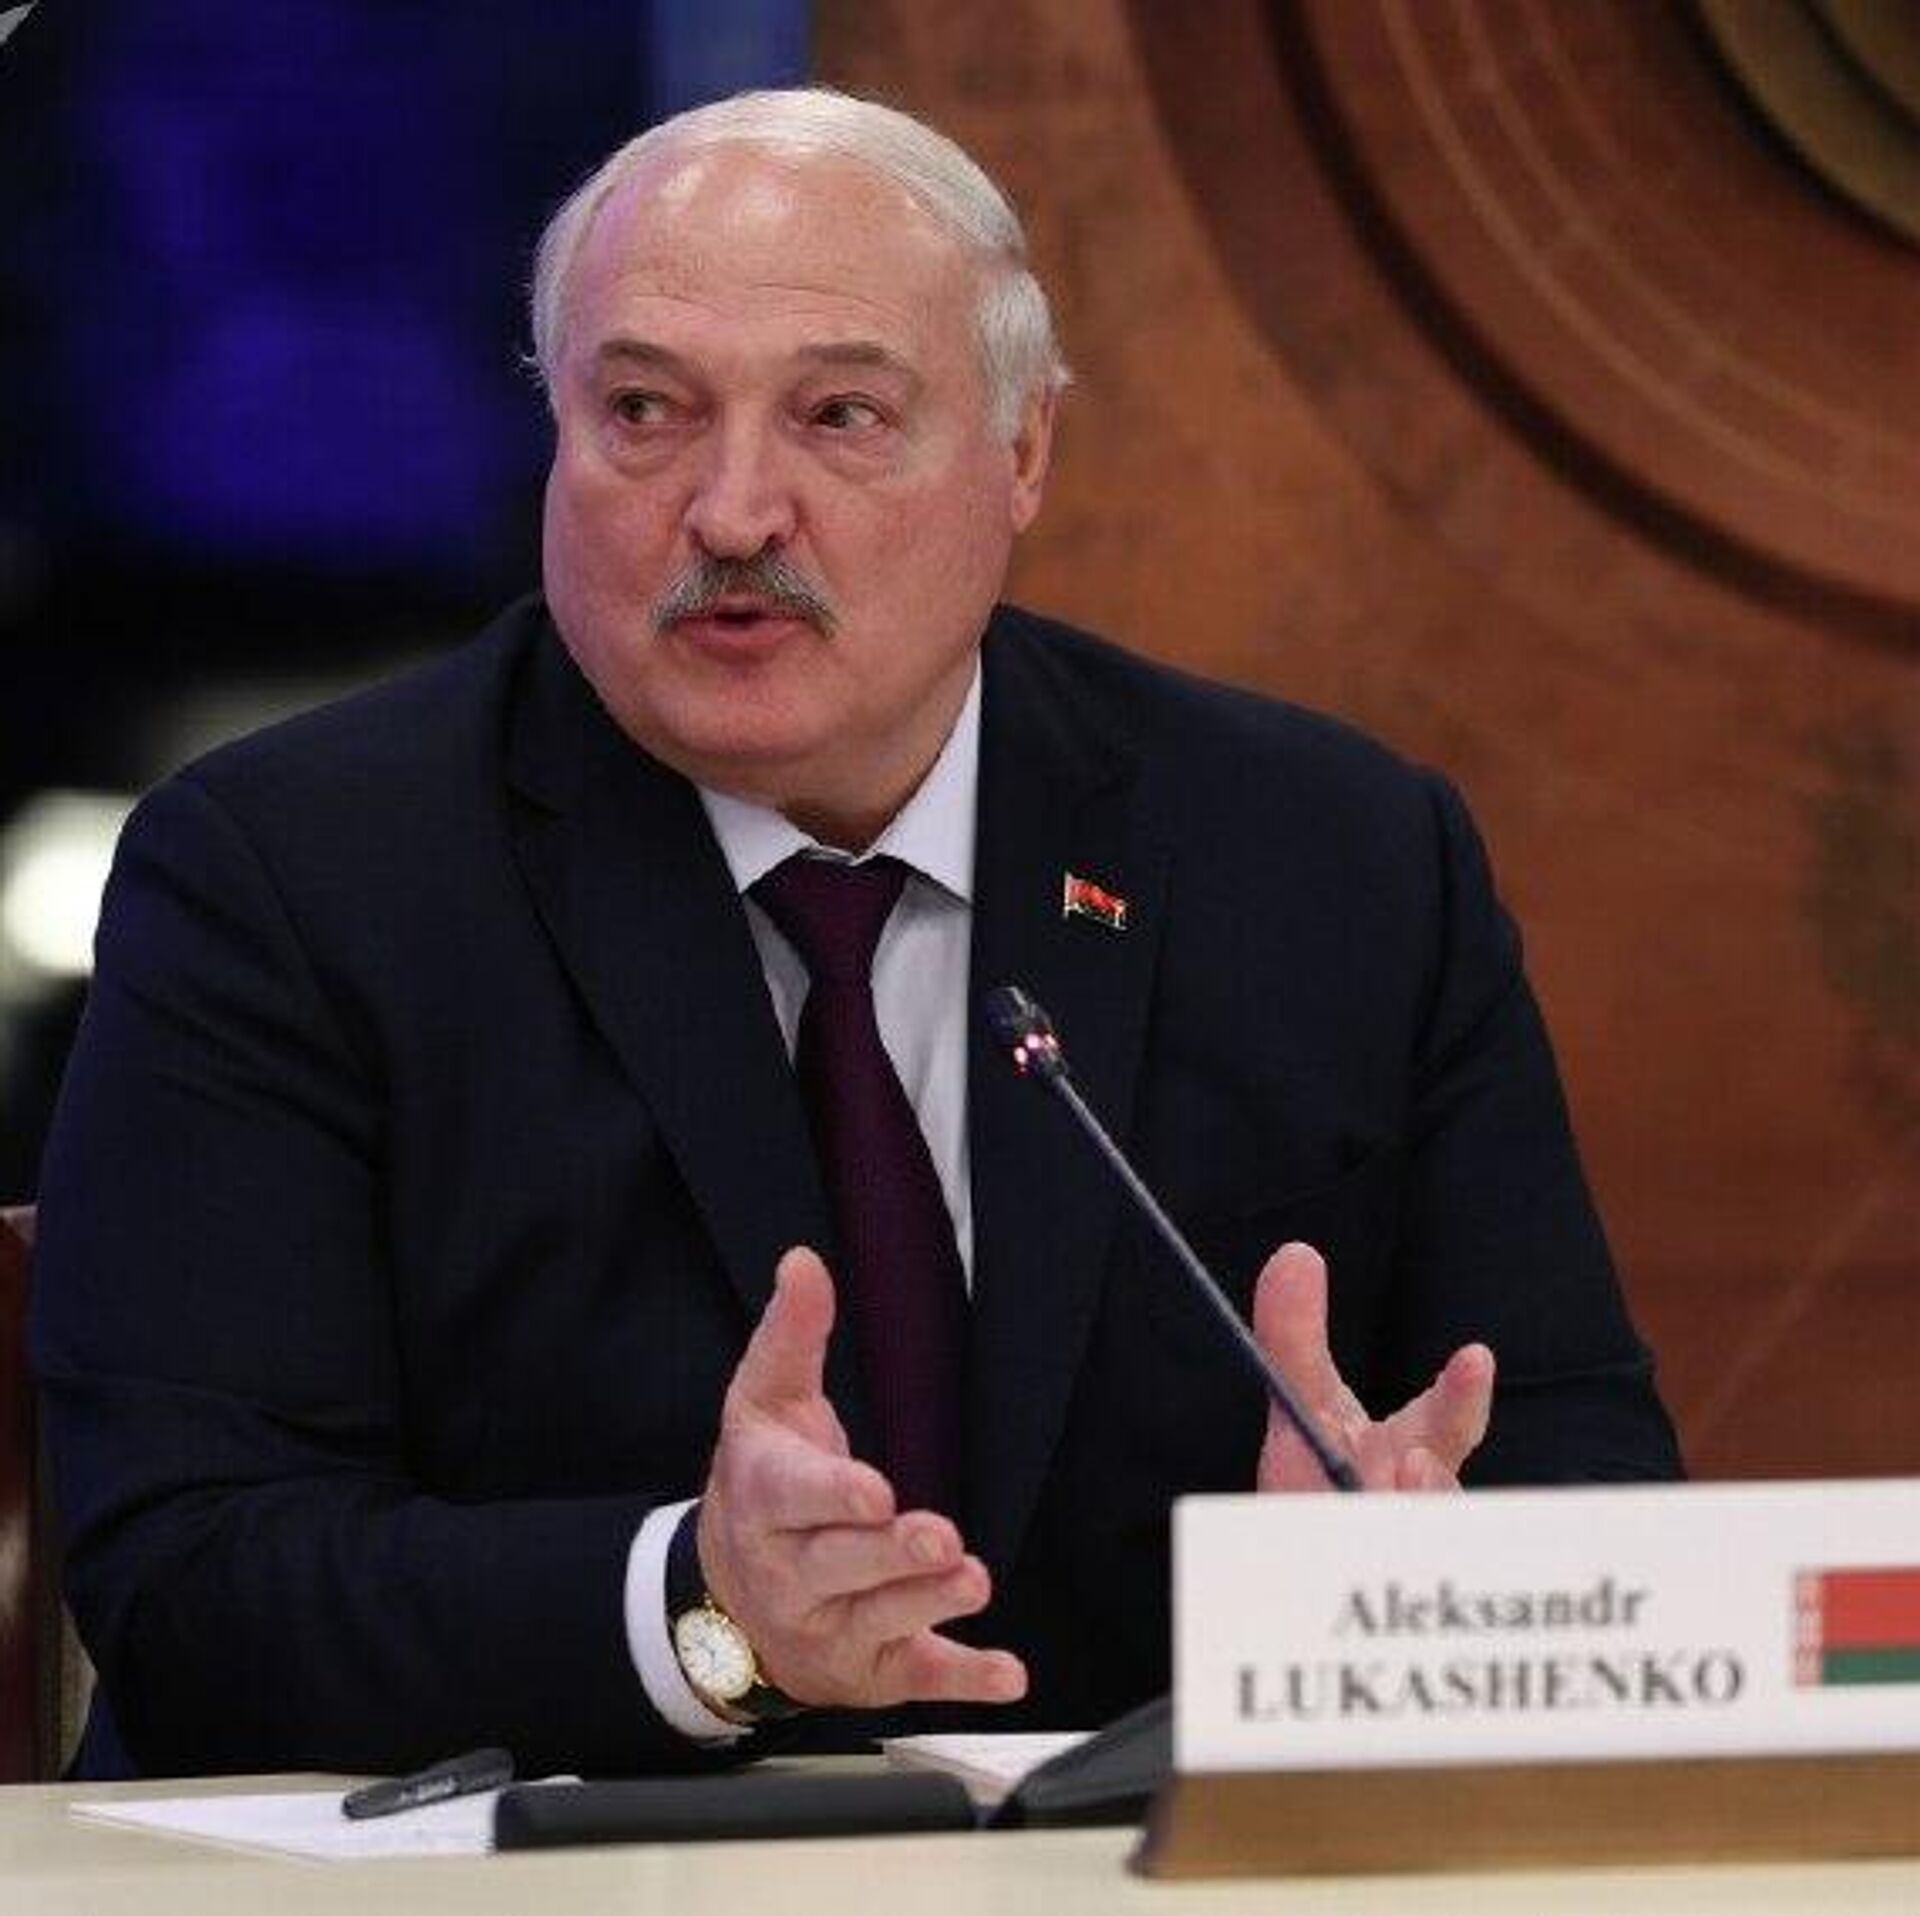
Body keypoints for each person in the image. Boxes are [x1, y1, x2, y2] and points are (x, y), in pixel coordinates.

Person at [30, 88, 1680, 1780]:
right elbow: (192, 1580)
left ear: (1023, 453)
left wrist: (1396, 1594)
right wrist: (705, 1611)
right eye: (646, 411)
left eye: (839, 415)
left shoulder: (1332, 859)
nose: (734, 512)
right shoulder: (292, 879)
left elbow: (1578, 1469)